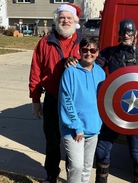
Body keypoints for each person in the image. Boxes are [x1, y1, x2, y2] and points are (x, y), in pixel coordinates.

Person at [66, 19, 138, 183]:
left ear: (135, 33)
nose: (126, 35)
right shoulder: (110, 53)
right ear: (119, 34)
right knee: (103, 149)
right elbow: (89, 63)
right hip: (113, 110)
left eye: (129, 32)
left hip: (136, 114)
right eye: (123, 32)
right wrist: (72, 60)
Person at [29, 3, 84, 183]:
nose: (65, 21)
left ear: (75, 20)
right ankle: (51, 175)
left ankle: (72, 177)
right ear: (57, 20)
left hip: (76, 104)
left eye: (69, 18)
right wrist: (36, 100)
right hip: (53, 99)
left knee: (74, 142)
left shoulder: (84, 44)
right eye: (62, 18)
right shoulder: (45, 42)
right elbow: (35, 72)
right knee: (52, 141)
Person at [58, 37, 106, 183]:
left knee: (86, 168)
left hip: (93, 129)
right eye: (85, 50)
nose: (89, 53)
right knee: (76, 167)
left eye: (93, 50)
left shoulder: (101, 73)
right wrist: (77, 126)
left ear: (97, 53)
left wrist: (100, 123)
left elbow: (103, 99)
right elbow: (66, 101)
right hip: (73, 130)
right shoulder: (70, 72)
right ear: (79, 51)